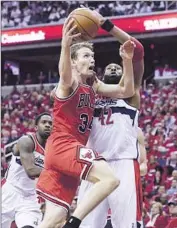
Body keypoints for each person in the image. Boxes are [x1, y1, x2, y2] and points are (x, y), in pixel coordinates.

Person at [36, 13, 136, 228]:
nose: (91, 60)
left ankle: (67, 221)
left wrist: (126, 61)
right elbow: (64, 74)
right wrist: (65, 45)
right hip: (64, 146)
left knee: (52, 220)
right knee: (110, 180)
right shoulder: (67, 84)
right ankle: (74, 223)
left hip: (61, 154)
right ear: (73, 62)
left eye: (92, 56)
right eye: (85, 56)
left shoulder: (92, 84)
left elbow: (125, 89)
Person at [77, 10, 145, 228]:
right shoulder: (89, 96)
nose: (115, 67)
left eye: (118, 66)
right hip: (95, 165)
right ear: (100, 76)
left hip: (123, 163)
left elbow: (138, 50)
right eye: (110, 67)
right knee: (87, 224)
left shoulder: (130, 93)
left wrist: (107, 26)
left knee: (125, 224)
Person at [2, 112, 52, 228]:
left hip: (30, 198)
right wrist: (58, 172)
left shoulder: (53, 151)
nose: (48, 125)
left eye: (50, 123)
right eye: (44, 122)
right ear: (36, 127)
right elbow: (31, 171)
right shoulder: (27, 141)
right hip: (10, 191)